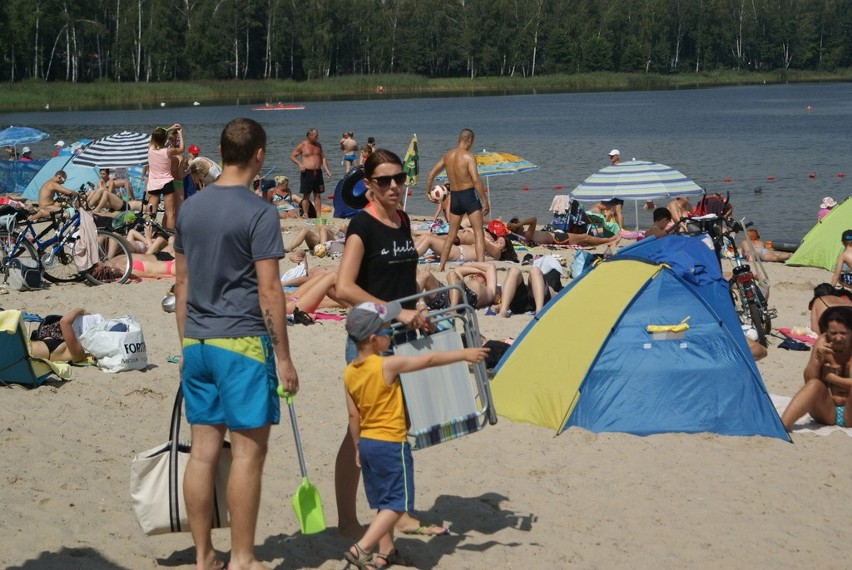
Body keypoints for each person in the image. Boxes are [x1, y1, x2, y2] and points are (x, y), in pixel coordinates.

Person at [173, 117, 298, 570]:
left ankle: (205, 555)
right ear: (259, 156)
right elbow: (269, 290)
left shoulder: (190, 208)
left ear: (222, 154)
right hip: (242, 343)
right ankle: (242, 558)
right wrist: (283, 357)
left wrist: (187, 345)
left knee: (203, 452)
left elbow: (181, 283)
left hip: (198, 343)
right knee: (247, 454)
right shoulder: (259, 211)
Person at [335, 149, 440, 543]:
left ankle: (392, 517)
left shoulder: (402, 220)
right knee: (360, 434)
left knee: (397, 428)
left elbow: (401, 275)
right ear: (369, 185)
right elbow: (343, 287)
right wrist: (396, 312)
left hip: (405, 338)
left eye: (399, 178)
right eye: (384, 181)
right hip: (369, 343)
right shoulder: (362, 226)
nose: (394, 186)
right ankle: (349, 521)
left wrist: (418, 303)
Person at [341, 301, 488, 569]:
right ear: (374, 340)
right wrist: (464, 353)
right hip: (391, 445)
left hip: (368, 445)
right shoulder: (386, 365)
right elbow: (429, 359)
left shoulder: (349, 372)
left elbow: (354, 417)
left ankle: (386, 552)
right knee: (397, 505)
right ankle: (362, 547)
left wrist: (357, 446)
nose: (391, 334)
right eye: (387, 331)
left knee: (383, 501)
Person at [425, 128, 489, 271]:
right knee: (479, 232)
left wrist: (427, 192)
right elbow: (476, 180)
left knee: (450, 235)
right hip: (468, 196)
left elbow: (430, 175)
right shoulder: (469, 156)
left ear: (458, 139)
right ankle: (480, 266)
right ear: (471, 141)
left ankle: (441, 266)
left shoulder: (447, 156)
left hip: (455, 197)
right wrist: (484, 201)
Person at [781, 306, 852, 430]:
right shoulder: (823, 342)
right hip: (827, 410)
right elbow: (809, 380)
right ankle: (782, 426)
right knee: (814, 384)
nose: (838, 337)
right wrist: (817, 358)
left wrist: (831, 378)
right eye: (833, 333)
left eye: (843, 333)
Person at [146, 123, 185, 230]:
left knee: (150, 212)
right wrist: (180, 134)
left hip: (153, 184)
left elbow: (155, 135)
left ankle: (149, 232)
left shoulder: (150, 149)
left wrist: (169, 128)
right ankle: (170, 236)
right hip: (167, 183)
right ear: (165, 139)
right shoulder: (167, 151)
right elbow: (181, 149)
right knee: (170, 213)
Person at [290, 128, 332, 220]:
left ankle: (318, 215)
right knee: (306, 194)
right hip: (307, 173)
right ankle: (306, 214)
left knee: (317, 195)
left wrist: (327, 170)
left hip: (318, 172)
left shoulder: (318, 145)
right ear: (309, 136)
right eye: (316, 136)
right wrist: (300, 164)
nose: (317, 137)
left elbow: (323, 158)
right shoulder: (303, 145)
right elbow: (292, 156)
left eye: (317, 135)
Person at [506, 216, 619, 247]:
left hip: (557, 236)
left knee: (583, 241)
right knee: (585, 237)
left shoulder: (525, 235)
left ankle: (605, 242)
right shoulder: (527, 236)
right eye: (519, 223)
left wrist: (518, 225)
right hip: (558, 239)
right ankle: (608, 240)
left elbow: (532, 220)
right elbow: (533, 219)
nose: (522, 224)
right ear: (517, 227)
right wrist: (519, 224)